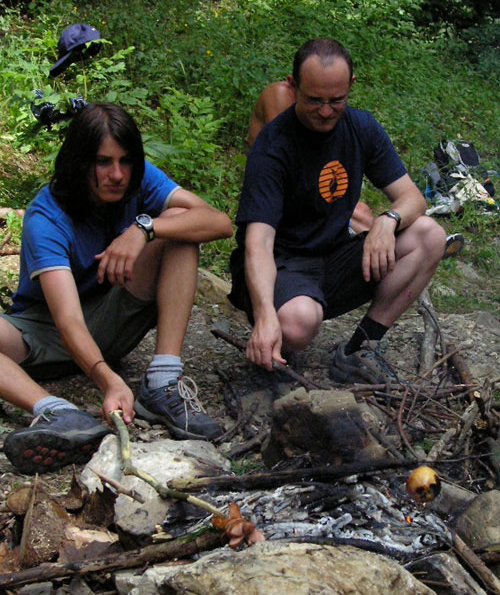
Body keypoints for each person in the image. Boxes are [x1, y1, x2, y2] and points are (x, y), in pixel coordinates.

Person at [0, 103, 233, 475]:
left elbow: (219, 223)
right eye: (103, 162)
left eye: (126, 161)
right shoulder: (46, 218)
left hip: (112, 315)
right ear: (80, 163)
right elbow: (68, 321)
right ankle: (58, 413)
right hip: (44, 332)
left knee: (180, 224)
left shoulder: (138, 180)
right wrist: (108, 381)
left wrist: (144, 229)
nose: (117, 174)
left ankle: (162, 381)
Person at [229, 38, 447, 381]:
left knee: (429, 236)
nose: (326, 111)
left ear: (351, 86)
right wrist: (265, 314)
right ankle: (278, 334)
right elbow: (258, 244)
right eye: (314, 100)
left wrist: (387, 221)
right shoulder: (274, 146)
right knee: (298, 323)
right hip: (281, 264)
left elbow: (412, 198)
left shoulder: (362, 128)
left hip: (333, 256)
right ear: (293, 86)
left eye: (336, 100)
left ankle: (360, 349)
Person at [246, 80, 373, 234]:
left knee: (363, 213)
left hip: (312, 188)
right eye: (313, 98)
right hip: (280, 195)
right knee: (360, 218)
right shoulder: (280, 95)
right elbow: (286, 164)